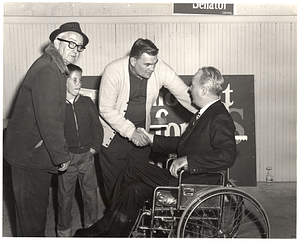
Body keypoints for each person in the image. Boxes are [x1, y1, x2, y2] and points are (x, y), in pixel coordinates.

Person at [74, 66, 237, 237]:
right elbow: (183, 144)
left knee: (133, 168)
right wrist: (152, 139)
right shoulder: (206, 113)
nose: (189, 88)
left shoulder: (218, 116)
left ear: (203, 90)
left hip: (192, 183)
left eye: (193, 85)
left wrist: (187, 160)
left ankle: (107, 222)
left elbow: (227, 155)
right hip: (185, 178)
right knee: (134, 189)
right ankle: (114, 234)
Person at [3, 22, 89, 236]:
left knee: (33, 216)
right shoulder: (49, 70)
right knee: (32, 222)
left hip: (32, 154)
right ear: (55, 42)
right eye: (71, 43)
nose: (76, 51)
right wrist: (61, 155)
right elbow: (49, 119)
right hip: (29, 157)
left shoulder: (54, 67)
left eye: (79, 47)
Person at [98, 38, 198, 200]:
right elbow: (105, 108)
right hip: (114, 138)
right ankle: (116, 222)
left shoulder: (159, 68)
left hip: (142, 136)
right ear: (132, 61)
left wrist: (210, 113)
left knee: (138, 184)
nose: (152, 69)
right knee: (115, 188)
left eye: (155, 63)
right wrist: (131, 132)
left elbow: (185, 95)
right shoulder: (113, 70)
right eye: (147, 65)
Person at [56, 64, 103, 237]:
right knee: (64, 198)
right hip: (67, 160)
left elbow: (97, 128)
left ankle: (91, 230)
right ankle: (63, 232)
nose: (78, 83)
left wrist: (93, 148)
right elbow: (55, 133)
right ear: (64, 81)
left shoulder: (86, 102)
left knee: (90, 196)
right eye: (74, 80)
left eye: (80, 80)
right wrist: (62, 154)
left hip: (87, 157)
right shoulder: (57, 106)